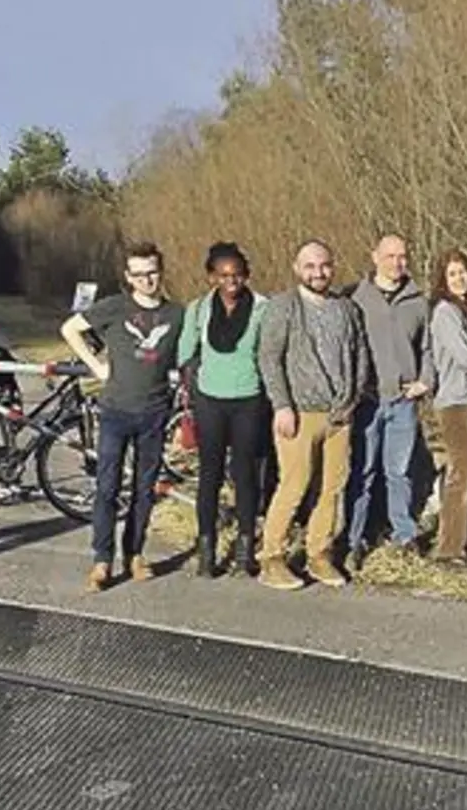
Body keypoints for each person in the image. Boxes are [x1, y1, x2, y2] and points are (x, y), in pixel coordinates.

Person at [60, 241, 185, 592]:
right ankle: (102, 559)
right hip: (115, 410)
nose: (147, 280)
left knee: (144, 489)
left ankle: (135, 553)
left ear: (161, 273)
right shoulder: (114, 307)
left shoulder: (177, 315)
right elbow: (70, 329)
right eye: (139, 274)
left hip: (155, 412)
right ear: (129, 277)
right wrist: (95, 366)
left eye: (153, 272)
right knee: (107, 487)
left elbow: (189, 354)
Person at [257, 239, 370, 590]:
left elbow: (360, 354)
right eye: (310, 266)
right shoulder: (283, 307)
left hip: (339, 414)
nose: (318, 272)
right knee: (294, 485)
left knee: (331, 488)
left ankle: (319, 553)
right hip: (299, 414)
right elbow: (269, 358)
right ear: (297, 268)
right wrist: (281, 405)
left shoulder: (346, 309)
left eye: (323, 265)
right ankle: (271, 557)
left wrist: (351, 398)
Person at [174, 241, 270, 579]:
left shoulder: (262, 308)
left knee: (244, 474)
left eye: (238, 275)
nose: (232, 281)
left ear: (247, 275)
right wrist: (191, 374)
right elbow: (184, 352)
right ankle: (207, 548)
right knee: (209, 475)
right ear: (212, 277)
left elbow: (270, 354)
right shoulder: (198, 310)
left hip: (248, 399)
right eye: (224, 275)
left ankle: (245, 549)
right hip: (210, 401)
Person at [344, 233, 435, 570]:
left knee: (399, 472)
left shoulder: (417, 301)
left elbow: (428, 347)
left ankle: (404, 535)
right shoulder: (354, 297)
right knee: (363, 473)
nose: (397, 262)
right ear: (374, 257)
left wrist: (425, 380)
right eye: (390, 255)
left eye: (402, 256)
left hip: (403, 402)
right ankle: (354, 540)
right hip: (368, 401)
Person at [429, 248, 467, 564]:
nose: (459, 278)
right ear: (443, 280)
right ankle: (448, 549)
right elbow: (464, 355)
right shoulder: (445, 313)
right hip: (454, 402)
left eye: (463, 271)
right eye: (452, 274)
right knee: (460, 474)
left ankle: (462, 537)